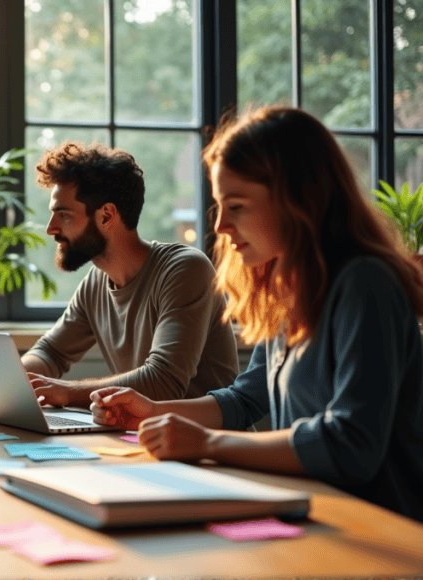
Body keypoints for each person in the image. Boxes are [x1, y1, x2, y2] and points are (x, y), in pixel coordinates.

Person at [90, 106, 423, 522]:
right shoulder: (283, 286)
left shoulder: (365, 284)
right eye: (219, 206)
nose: (222, 227)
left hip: (384, 535)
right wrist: (154, 410)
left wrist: (208, 444)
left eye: (238, 206)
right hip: (316, 519)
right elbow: (247, 399)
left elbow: (351, 445)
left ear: (297, 199)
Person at [22, 141, 239, 405]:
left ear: (106, 216)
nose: (51, 229)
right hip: (145, 439)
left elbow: (163, 382)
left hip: (211, 442)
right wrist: (13, 382)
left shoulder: (185, 269)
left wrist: (66, 392)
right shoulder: (96, 282)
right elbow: (50, 353)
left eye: (64, 215)